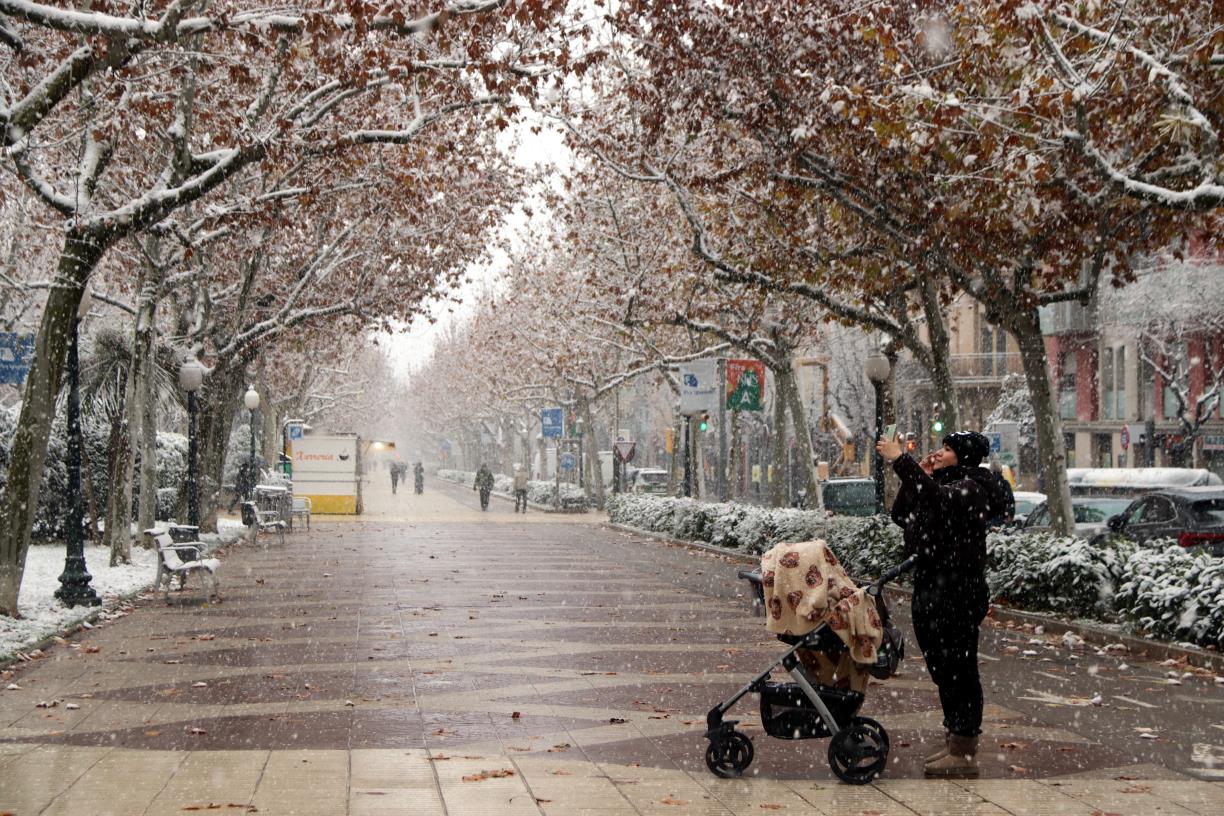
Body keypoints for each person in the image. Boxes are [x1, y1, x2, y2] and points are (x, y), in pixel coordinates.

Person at [877, 429, 1001, 778]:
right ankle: (954, 740)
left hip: (958, 589)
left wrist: (901, 461)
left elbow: (938, 500)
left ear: (963, 456)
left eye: (947, 449)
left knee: (959, 666)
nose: (939, 453)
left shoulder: (972, 488)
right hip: (932, 584)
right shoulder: (941, 485)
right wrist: (920, 473)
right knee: (940, 665)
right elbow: (901, 514)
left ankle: (964, 748)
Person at [985, 460, 1016, 528]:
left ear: (990, 471)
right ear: (1001, 471)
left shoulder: (986, 484)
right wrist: (1010, 515)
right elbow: (1011, 501)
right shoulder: (1005, 484)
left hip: (988, 520)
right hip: (1002, 520)